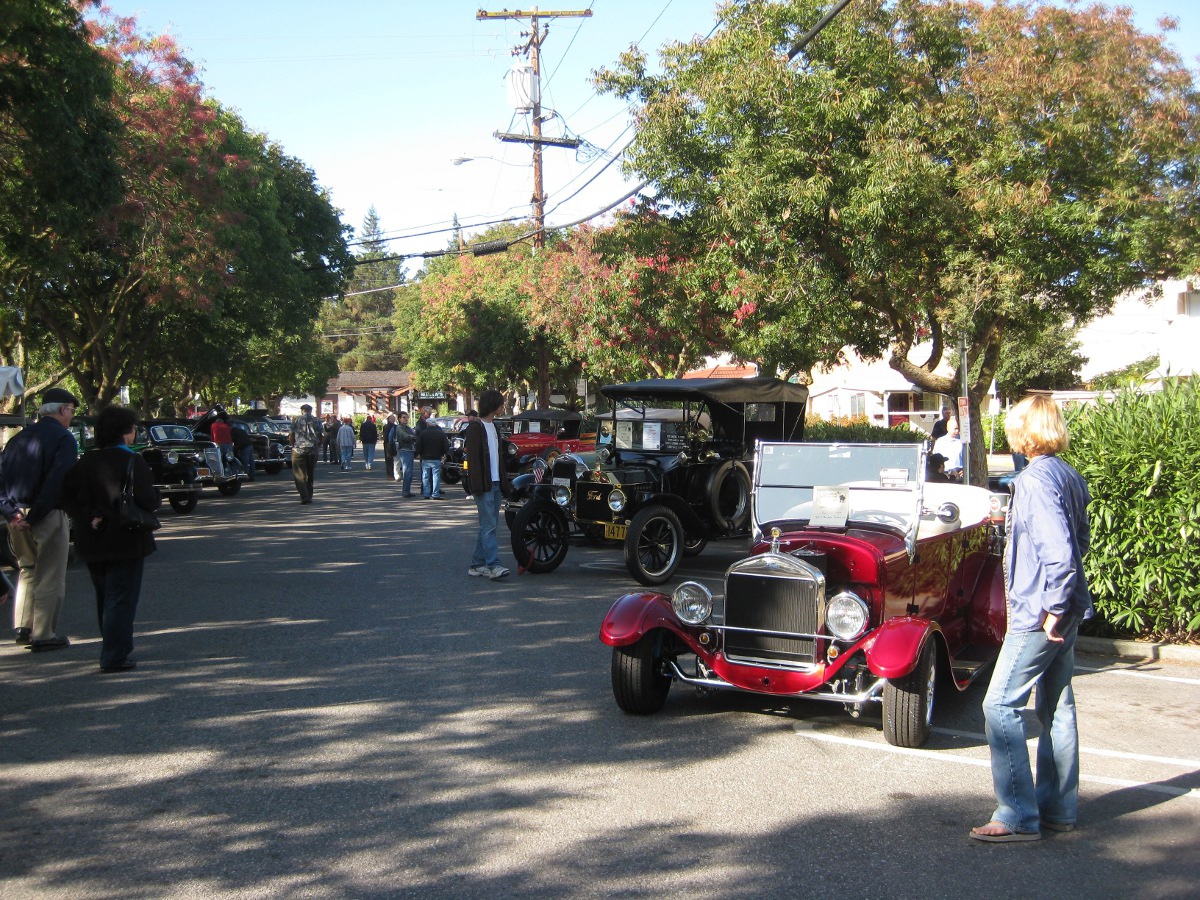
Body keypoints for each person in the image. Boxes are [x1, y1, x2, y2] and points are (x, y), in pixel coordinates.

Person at [971, 395, 1092, 843]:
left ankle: (1018, 814)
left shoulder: (1036, 480)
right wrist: (1066, 605)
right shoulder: (1067, 475)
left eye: (1013, 425)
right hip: (1065, 606)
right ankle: (1058, 810)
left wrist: (1054, 611)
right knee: (1056, 705)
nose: (1008, 432)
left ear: (1027, 432)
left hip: (1042, 612)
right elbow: (1079, 541)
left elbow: (1060, 555)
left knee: (998, 705)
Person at [59, 405, 160, 673]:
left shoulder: (86, 462)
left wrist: (86, 515)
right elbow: (148, 499)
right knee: (121, 597)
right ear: (126, 431)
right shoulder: (132, 460)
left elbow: (65, 494)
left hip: (92, 538)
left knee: (105, 596)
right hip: (126, 537)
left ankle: (112, 646)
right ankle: (114, 654)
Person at [0, 387, 79, 649]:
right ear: (62, 410)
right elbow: (57, 481)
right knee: (51, 573)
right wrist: (35, 516)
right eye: (71, 410)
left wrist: (11, 513)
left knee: (28, 569)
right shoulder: (64, 439)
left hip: (16, 513)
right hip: (45, 513)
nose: (71, 415)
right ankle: (44, 633)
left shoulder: (17, 439)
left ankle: (24, 625)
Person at [464, 390, 512, 579]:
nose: (503, 407)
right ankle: (493, 565)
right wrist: (476, 486)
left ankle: (477, 564)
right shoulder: (476, 428)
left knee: (487, 525)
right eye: (501, 404)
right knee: (489, 525)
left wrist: (503, 483)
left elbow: (498, 458)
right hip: (483, 484)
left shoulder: (494, 427)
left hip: (495, 482)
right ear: (493, 405)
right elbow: (474, 459)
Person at [289, 403, 323, 504]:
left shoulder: (296, 420)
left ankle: (304, 496)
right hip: (313, 450)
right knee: (310, 472)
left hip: (299, 450)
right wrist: (319, 444)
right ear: (311, 410)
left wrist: (292, 445)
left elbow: (291, 435)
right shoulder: (317, 420)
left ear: (302, 410)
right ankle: (309, 494)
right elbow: (323, 434)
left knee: (299, 474)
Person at [415, 415, 448, 499]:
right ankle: (435, 493)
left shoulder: (423, 433)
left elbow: (418, 445)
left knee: (425, 476)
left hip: (425, 457)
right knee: (436, 476)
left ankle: (426, 493)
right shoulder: (441, 433)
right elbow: (446, 446)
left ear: (427, 424)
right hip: (436, 457)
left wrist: (420, 453)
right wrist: (442, 453)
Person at [932, 417, 964, 482]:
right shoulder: (940, 441)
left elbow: (967, 459)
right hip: (943, 474)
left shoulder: (962, 442)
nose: (957, 431)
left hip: (958, 473)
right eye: (955, 429)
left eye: (958, 429)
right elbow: (935, 459)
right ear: (948, 428)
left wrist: (964, 471)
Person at [395, 411, 417, 496]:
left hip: (410, 450)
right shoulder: (399, 428)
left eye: (406, 417)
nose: (406, 419)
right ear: (400, 419)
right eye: (403, 417)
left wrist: (413, 437)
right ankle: (405, 491)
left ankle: (407, 490)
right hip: (404, 450)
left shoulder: (408, 428)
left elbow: (413, 436)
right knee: (407, 471)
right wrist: (412, 437)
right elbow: (405, 436)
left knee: (409, 471)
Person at [382, 414, 398, 481]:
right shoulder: (386, 426)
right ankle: (390, 475)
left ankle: (394, 474)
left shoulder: (396, 426)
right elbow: (386, 437)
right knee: (389, 460)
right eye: (392, 418)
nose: (393, 419)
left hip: (393, 444)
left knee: (395, 460)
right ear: (388, 419)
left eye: (394, 418)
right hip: (388, 445)